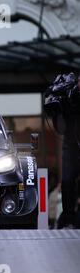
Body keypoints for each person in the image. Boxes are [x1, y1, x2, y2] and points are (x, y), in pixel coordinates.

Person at [57, 74, 80, 229]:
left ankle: (70, 217)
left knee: (69, 181)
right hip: (72, 143)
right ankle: (68, 218)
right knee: (67, 180)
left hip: (72, 142)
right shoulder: (71, 94)